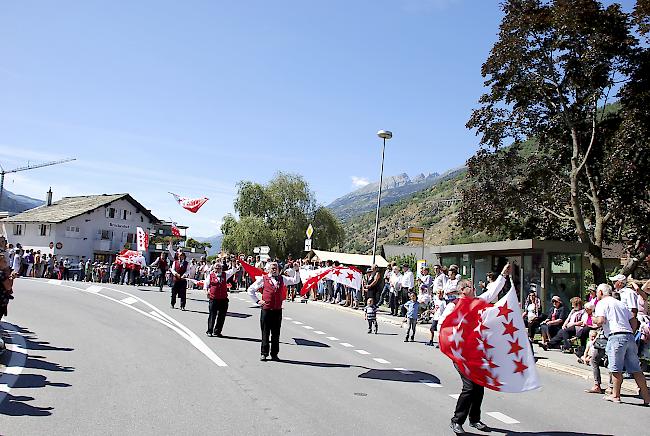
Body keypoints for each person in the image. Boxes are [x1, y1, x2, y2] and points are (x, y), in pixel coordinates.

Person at [442, 263, 511, 435]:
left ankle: (474, 419)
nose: (473, 288)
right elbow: (444, 324)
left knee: (479, 386)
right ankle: (456, 420)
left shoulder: (477, 303)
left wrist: (503, 275)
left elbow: (492, 292)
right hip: (460, 353)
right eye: (469, 286)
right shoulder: (454, 306)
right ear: (462, 290)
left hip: (475, 352)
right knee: (469, 387)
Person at [593, 283, 650, 405]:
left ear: (601, 293)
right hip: (629, 335)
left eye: (598, 292)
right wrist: (632, 331)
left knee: (616, 368)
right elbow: (633, 320)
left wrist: (593, 320)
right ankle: (647, 398)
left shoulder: (602, 303)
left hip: (615, 336)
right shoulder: (620, 303)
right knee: (636, 369)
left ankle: (615, 395)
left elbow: (600, 321)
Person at [248, 261, 301, 361]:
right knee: (265, 332)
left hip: (277, 310)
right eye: (272, 268)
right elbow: (251, 290)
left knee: (276, 333)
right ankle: (264, 353)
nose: (274, 269)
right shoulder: (263, 279)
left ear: (279, 269)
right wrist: (258, 301)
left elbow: (295, 280)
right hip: (266, 310)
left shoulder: (282, 278)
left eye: (276, 267)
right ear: (268, 269)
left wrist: (297, 270)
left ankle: (274, 354)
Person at [203, 261, 238, 337]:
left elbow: (233, 270)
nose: (218, 269)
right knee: (212, 315)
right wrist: (206, 292)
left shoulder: (225, 274)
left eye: (219, 268)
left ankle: (217, 331)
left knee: (222, 316)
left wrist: (233, 263)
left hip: (223, 299)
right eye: (216, 268)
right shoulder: (210, 275)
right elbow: (205, 285)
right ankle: (209, 330)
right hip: (214, 299)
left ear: (222, 269)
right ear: (214, 268)